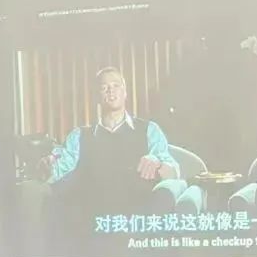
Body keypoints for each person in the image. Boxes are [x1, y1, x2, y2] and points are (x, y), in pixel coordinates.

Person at [46, 66, 180, 186]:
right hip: (92, 202)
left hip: (138, 202)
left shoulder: (149, 130)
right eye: (104, 87)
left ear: (125, 92)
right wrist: (48, 165)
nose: (111, 90)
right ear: (96, 97)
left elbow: (174, 173)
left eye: (116, 85)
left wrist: (158, 165)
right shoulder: (79, 136)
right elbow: (57, 171)